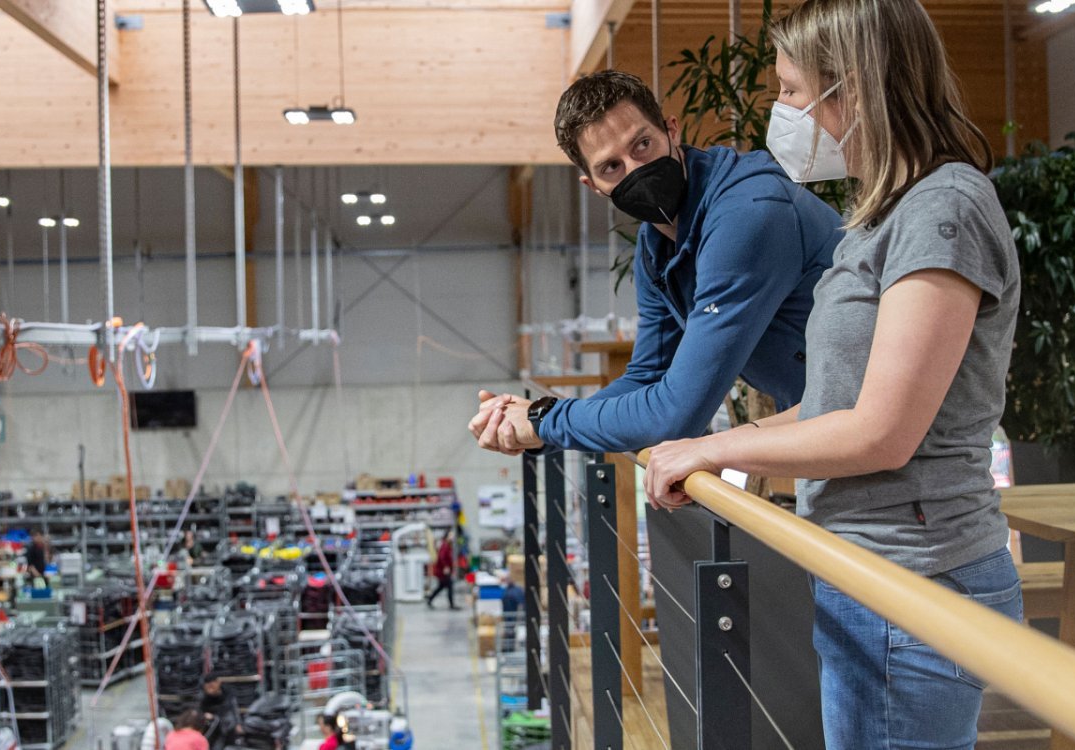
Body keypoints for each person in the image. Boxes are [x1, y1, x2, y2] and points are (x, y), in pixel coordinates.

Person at [641, 1, 1022, 746]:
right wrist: (721, 442)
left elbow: (881, 433)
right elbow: (833, 403)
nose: (778, 110)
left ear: (852, 89)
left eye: (789, 90)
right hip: (867, 570)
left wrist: (714, 450)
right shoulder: (881, 213)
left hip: (916, 578)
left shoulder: (943, 210)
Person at [469, 70, 843, 456]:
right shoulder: (655, 246)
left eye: (642, 145)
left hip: (872, 429)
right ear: (593, 186)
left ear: (672, 130)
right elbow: (647, 378)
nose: (636, 169)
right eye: (611, 167)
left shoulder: (747, 214)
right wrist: (535, 426)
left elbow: (676, 415)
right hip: (824, 426)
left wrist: (544, 420)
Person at [197, 673, 240, 743]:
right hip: (212, 727)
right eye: (207, 687)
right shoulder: (203, 697)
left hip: (227, 725)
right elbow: (199, 711)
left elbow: (234, 709)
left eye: (212, 686)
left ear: (218, 682)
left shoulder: (227, 693)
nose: (210, 690)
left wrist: (238, 724)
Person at [424, 530, 456, 610]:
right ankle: (451, 605)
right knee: (449, 586)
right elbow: (441, 557)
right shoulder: (445, 545)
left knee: (441, 587)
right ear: (447, 536)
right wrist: (446, 567)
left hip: (444, 571)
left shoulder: (448, 545)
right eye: (451, 535)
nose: (452, 537)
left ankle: (430, 599)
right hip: (443, 571)